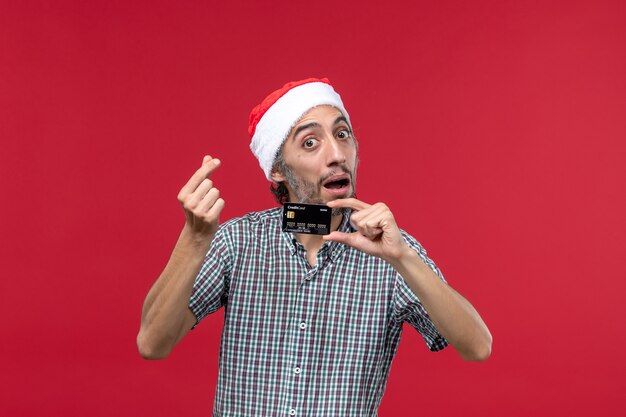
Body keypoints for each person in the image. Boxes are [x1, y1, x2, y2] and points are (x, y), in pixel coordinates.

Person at [137, 78, 492, 416]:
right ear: (278, 168)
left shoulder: (392, 251)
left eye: (342, 135)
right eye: (310, 142)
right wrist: (194, 240)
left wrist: (403, 258)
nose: (337, 155)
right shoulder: (238, 243)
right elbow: (153, 344)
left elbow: (477, 347)